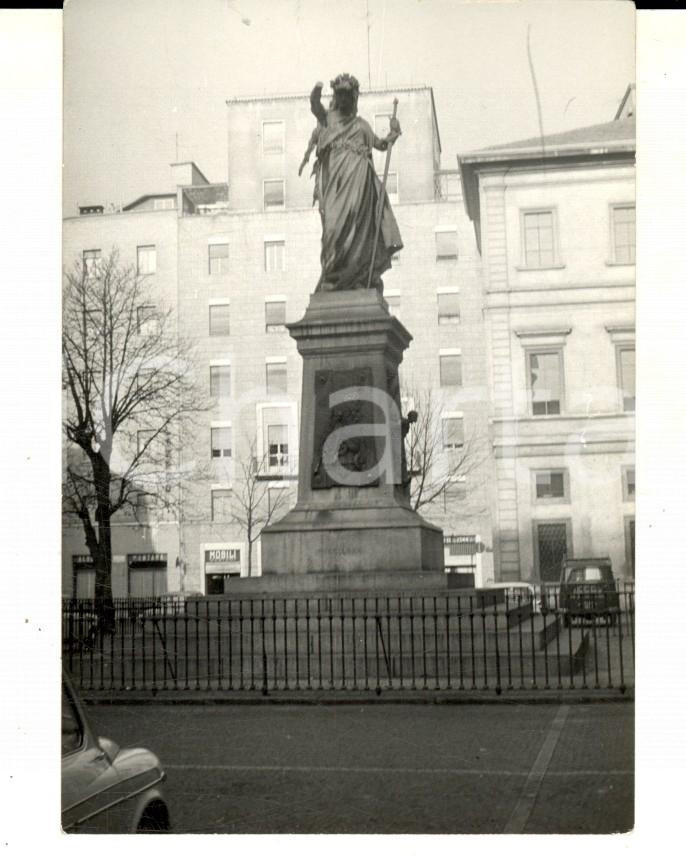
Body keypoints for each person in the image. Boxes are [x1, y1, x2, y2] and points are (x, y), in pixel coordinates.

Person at [306, 74, 403, 292]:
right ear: (337, 97)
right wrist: (317, 90)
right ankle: (331, 277)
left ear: (354, 98)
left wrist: (394, 132)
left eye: (349, 95)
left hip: (359, 183)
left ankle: (356, 277)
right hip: (336, 184)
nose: (345, 99)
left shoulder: (362, 125)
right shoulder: (329, 120)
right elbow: (315, 106)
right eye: (340, 95)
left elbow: (381, 144)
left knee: (358, 229)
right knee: (333, 229)